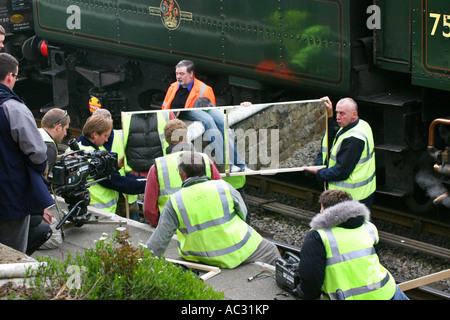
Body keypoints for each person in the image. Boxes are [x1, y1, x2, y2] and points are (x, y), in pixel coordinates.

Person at [146, 151, 280, 269]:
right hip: (238, 249)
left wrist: (143, 263)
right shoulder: (223, 187)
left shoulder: (175, 201)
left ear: (183, 175)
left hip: (198, 256)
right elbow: (243, 213)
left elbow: (159, 241)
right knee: (271, 251)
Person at [293, 189, 409, 300]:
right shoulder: (368, 227)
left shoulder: (318, 236)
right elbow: (374, 261)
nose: (320, 212)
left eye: (322, 208)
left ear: (328, 211)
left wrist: (304, 293)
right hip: (387, 291)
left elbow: (311, 280)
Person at [0, 52, 54, 253]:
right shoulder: (14, 109)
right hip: (10, 196)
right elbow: (37, 153)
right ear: (9, 77)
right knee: (13, 253)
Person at [161, 60, 247, 172]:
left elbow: (211, 107)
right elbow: (164, 107)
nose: (178, 77)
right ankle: (228, 164)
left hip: (199, 110)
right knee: (208, 120)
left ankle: (240, 165)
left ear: (191, 74)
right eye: (177, 73)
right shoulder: (173, 87)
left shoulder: (204, 89)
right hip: (184, 113)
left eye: (182, 74)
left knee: (223, 123)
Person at [143, 119, 222, 227]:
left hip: (174, 230)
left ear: (166, 140)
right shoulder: (205, 160)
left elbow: (149, 209)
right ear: (186, 137)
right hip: (206, 226)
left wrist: (163, 227)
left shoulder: (157, 167)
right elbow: (221, 193)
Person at [305, 96, 376, 209]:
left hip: (348, 198)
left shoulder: (353, 139)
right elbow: (332, 137)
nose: (338, 117)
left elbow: (341, 172)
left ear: (354, 114)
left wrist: (319, 173)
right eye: (337, 112)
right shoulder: (362, 125)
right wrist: (329, 114)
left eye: (342, 113)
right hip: (361, 194)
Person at [72, 115, 146, 214]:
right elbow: (119, 182)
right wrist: (148, 184)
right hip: (99, 212)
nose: (106, 140)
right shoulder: (93, 158)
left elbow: (116, 175)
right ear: (94, 134)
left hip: (87, 208)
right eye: (105, 136)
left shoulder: (77, 149)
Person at [27, 108, 71, 255]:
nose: (65, 134)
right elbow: (38, 180)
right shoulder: (49, 148)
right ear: (58, 127)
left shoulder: (36, 134)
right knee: (55, 238)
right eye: (65, 129)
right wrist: (41, 207)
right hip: (27, 202)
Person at [92, 108, 140, 221]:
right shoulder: (92, 143)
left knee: (133, 226)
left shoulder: (123, 135)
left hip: (126, 194)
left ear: (111, 122)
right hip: (107, 195)